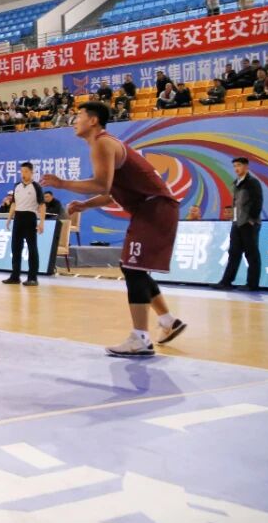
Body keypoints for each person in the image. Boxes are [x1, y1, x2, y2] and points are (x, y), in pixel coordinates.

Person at [41, 101, 187, 357]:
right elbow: (110, 193)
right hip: (154, 208)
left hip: (155, 208)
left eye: (79, 116)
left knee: (133, 268)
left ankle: (141, 338)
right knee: (132, 266)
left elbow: (101, 184)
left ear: (93, 120)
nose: (74, 121)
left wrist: (63, 183)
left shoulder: (103, 143)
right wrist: (86, 205)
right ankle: (168, 321)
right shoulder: (106, 144)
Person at [216, 157, 264, 292]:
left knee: (251, 254)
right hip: (237, 222)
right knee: (233, 252)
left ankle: (252, 284)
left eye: (239, 165)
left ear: (246, 167)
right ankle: (226, 282)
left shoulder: (252, 182)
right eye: (234, 166)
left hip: (248, 223)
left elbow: (258, 201)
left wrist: (252, 219)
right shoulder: (237, 183)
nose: (236, 168)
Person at [3, 162, 46, 286]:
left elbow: (42, 205)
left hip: (30, 218)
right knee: (15, 248)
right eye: (21, 171)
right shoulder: (17, 186)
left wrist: (41, 222)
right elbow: (14, 204)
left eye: (26, 171)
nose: (23, 174)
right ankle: (15, 276)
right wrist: (9, 218)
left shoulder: (36, 187)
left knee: (32, 248)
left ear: (32, 172)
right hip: (18, 218)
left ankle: (32, 277)